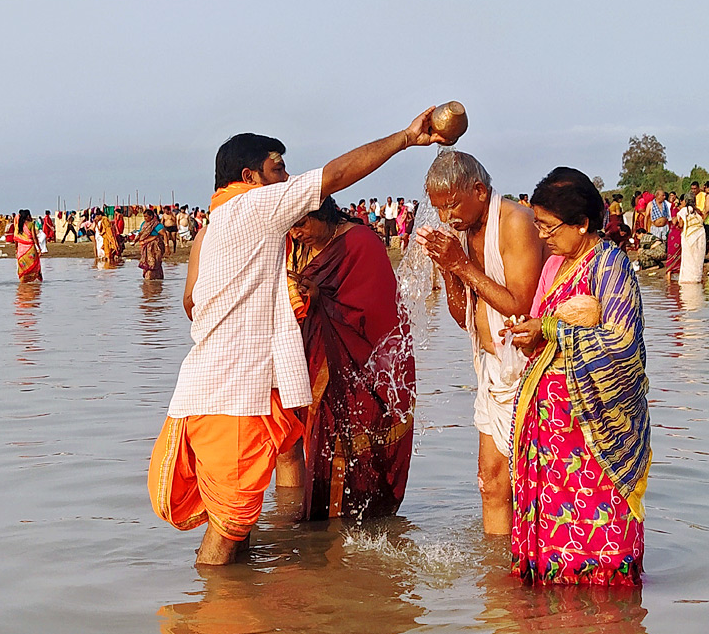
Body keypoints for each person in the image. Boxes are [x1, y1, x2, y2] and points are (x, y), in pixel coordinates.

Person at [148, 109, 447, 565]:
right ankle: (217, 618)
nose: (286, 178)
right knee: (229, 527)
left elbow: (191, 303)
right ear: (249, 177)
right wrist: (406, 138)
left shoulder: (213, 228)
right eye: (278, 168)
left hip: (223, 385)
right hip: (232, 394)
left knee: (240, 521)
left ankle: (238, 612)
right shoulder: (252, 206)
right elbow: (336, 175)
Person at [502, 167, 650, 585]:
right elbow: (548, 335)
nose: (543, 236)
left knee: (599, 546)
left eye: (549, 227)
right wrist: (529, 337)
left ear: (582, 224)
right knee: (552, 553)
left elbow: (621, 342)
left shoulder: (610, 265)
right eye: (538, 226)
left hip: (591, 437)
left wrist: (550, 328)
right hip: (549, 437)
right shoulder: (557, 267)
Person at [416, 150, 544, 536]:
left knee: (528, 479)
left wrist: (459, 265)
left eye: (452, 205)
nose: (446, 218)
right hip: (491, 367)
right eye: (438, 209)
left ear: (479, 190)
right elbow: (463, 318)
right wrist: (448, 268)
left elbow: (519, 306)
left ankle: (532, 564)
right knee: (490, 481)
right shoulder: (464, 233)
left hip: (526, 366)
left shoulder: (515, 223)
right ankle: (496, 579)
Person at [277, 196, 415, 521]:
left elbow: (378, 311)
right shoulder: (294, 247)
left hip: (358, 363)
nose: (297, 234)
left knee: (348, 440)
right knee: (306, 441)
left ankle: (346, 528)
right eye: (292, 227)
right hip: (312, 357)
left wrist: (320, 297)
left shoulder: (361, 242)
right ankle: (314, 526)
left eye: (302, 224)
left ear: (324, 214)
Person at [676, 196, 705, 284]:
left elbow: (681, 224)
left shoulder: (684, 211)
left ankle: (688, 279)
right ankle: (696, 278)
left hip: (689, 236)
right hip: (700, 234)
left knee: (688, 258)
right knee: (697, 258)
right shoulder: (698, 211)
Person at [7, 209, 43, 282]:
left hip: (21, 249)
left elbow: (16, 239)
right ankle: (34, 282)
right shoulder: (31, 224)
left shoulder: (18, 225)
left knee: (23, 267)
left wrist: (16, 249)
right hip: (30, 248)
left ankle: (23, 283)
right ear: (28, 216)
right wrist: (39, 248)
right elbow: (34, 237)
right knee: (34, 265)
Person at [137, 208, 166, 280]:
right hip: (146, 246)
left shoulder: (157, 225)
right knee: (147, 263)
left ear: (151, 216)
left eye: (146, 216)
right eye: (144, 216)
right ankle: (151, 278)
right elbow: (141, 233)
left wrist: (167, 246)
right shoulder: (144, 224)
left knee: (154, 262)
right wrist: (136, 241)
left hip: (155, 246)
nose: (145, 218)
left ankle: (155, 277)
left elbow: (164, 235)